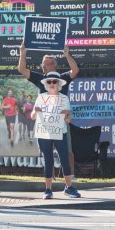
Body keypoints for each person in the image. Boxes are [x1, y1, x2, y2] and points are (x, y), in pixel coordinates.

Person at [18, 43, 79, 179]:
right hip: (44, 122)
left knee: (67, 150)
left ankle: (70, 175)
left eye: (46, 64)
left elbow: (75, 71)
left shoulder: (62, 79)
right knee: (47, 152)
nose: (43, 66)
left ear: (53, 65)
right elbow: (22, 69)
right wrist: (22, 52)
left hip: (61, 122)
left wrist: (67, 54)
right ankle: (49, 177)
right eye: (42, 64)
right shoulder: (39, 78)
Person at [31, 72, 80, 199]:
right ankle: (48, 190)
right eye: (49, 82)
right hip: (44, 132)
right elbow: (32, 116)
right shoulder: (41, 97)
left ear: (59, 84)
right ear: (46, 84)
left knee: (64, 158)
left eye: (54, 81)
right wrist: (35, 111)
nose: (52, 84)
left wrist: (67, 115)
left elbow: (68, 119)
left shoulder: (64, 98)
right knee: (48, 160)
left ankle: (69, 187)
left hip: (60, 132)